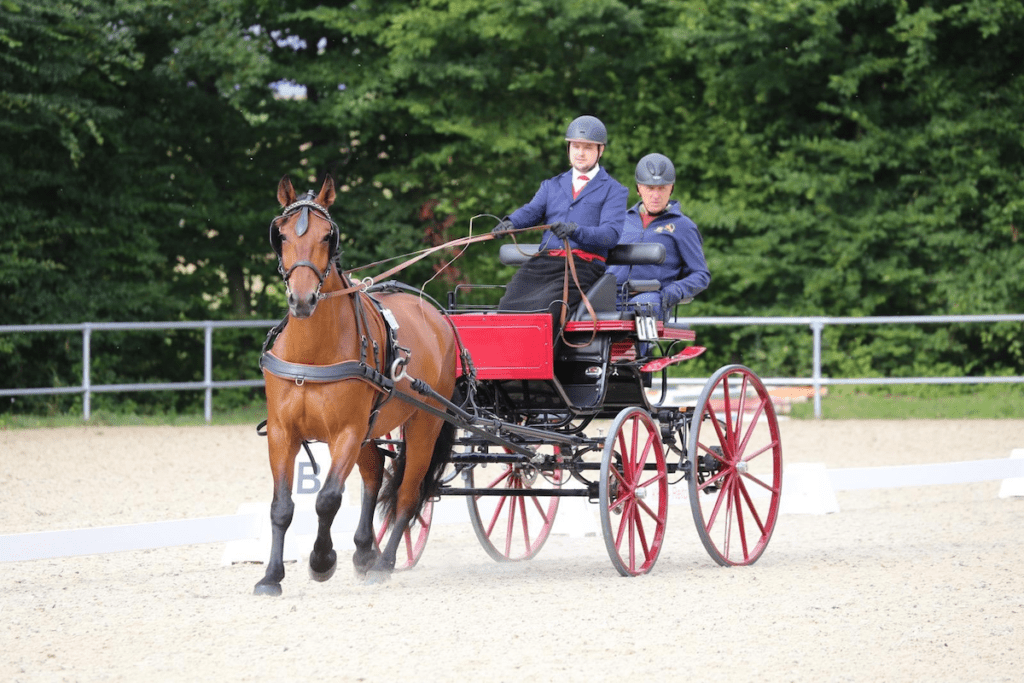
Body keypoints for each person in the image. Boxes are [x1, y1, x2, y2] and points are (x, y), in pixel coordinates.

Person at [492, 115, 629, 333]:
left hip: (582, 266)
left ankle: (541, 364)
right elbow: (531, 211)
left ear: (600, 150)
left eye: (587, 147)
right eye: (576, 146)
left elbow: (610, 234)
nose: (580, 153)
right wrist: (510, 222)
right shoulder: (552, 185)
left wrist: (577, 231)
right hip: (544, 263)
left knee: (546, 308)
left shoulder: (614, 190)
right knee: (508, 304)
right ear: (569, 148)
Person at [607, 152, 710, 321]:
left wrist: (674, 291)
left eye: (662, 188)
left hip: (651, 298)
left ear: (671, 189)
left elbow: (701, 275)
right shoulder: (620, 221)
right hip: (611, 294)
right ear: (639, 188)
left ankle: (641, 348)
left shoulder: (683, 226)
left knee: (645, 307)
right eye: (650, 188)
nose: (656, 195)